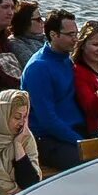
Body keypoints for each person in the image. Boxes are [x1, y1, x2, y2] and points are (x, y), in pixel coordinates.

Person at [20, 9, 83, 170]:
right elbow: (47, 120)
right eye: (70, 35)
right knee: (90, 164)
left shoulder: (66, 59)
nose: (75, 39)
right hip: (47, 139)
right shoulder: (39, 68)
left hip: (71, 129)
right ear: (54, 35)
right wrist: (80, 141)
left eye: (76, 33)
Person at [8, 0, 45, 69]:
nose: (42, 22)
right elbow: (35, 67)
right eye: (38, 19)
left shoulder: (45, 38)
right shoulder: (16, 43)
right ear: (25, 22)